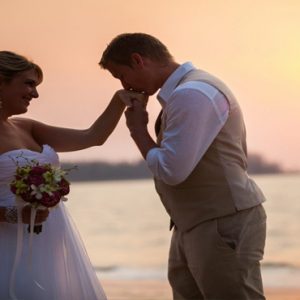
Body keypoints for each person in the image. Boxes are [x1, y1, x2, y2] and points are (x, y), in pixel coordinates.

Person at [99, 33, 267, 300]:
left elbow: (171, 171)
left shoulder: (192, 94)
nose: (124, 84)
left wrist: (138, 131)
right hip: (195, 222)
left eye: (121, 75)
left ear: (137, 60)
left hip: (219, 221)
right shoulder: (186, 92)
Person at [0, 50, 142, 300]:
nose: (35, 93)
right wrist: (15, 214)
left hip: (48, 242)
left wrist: (119, 100)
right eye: (29, 84)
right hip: (7, 243)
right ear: (1, 81)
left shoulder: (27, 127)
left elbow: (93, 137)